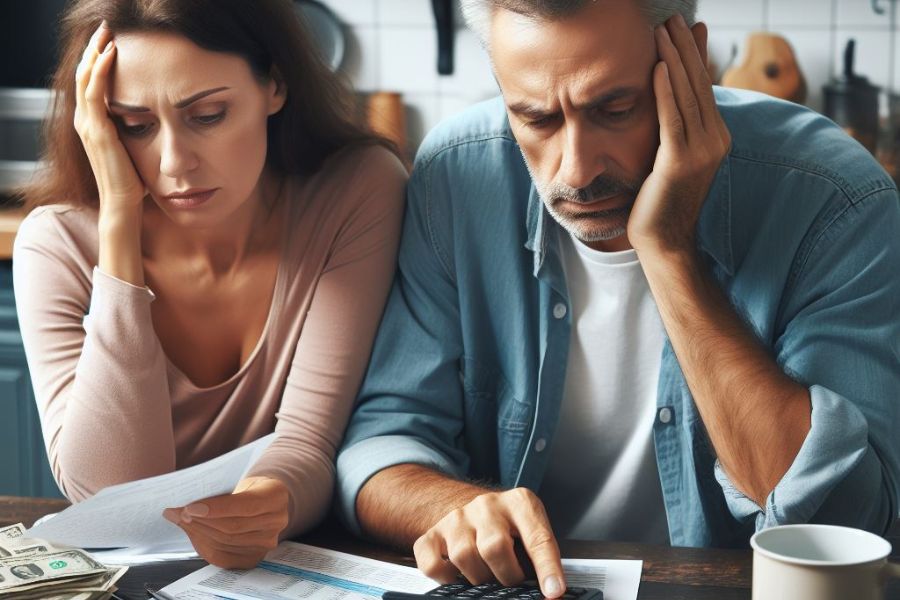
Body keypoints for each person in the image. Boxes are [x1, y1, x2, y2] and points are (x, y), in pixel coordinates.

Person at [335, 0, 900, 596]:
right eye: (536, 118)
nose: (576, 172)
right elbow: (380, 446)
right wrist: (458, 510)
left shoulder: (834, 198)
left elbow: (845, 525)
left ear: (690, 61)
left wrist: (670, 251)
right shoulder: (456, 175)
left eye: (614, 109)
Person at [13, 0, 406, 569]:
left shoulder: (356, 191)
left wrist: (269, 503)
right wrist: (119, 219)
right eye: (135, 126)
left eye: (209, 115)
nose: (175, 162)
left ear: (274, 84)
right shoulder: (56, 246)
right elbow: (111, 496)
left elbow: (309, 442)